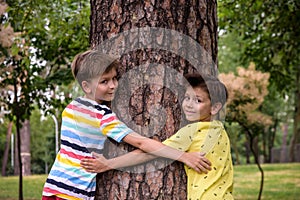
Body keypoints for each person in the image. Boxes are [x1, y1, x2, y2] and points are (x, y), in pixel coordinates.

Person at [42, 50, 211, 200]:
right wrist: (184, 156)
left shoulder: (72, 108)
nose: (113, 85)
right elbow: (141, 143)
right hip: (73, 193)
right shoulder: (102, 116)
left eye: (114, 78)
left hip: (53, 187)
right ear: (86, 86)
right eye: (104, 81)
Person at [81, 73, 234, 199]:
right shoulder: (219, 129)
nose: (188, 104)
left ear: (214, 108)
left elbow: (147, 153)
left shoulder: (194, 131)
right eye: (187, 97)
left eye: (198, 100)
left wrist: (108, 164)